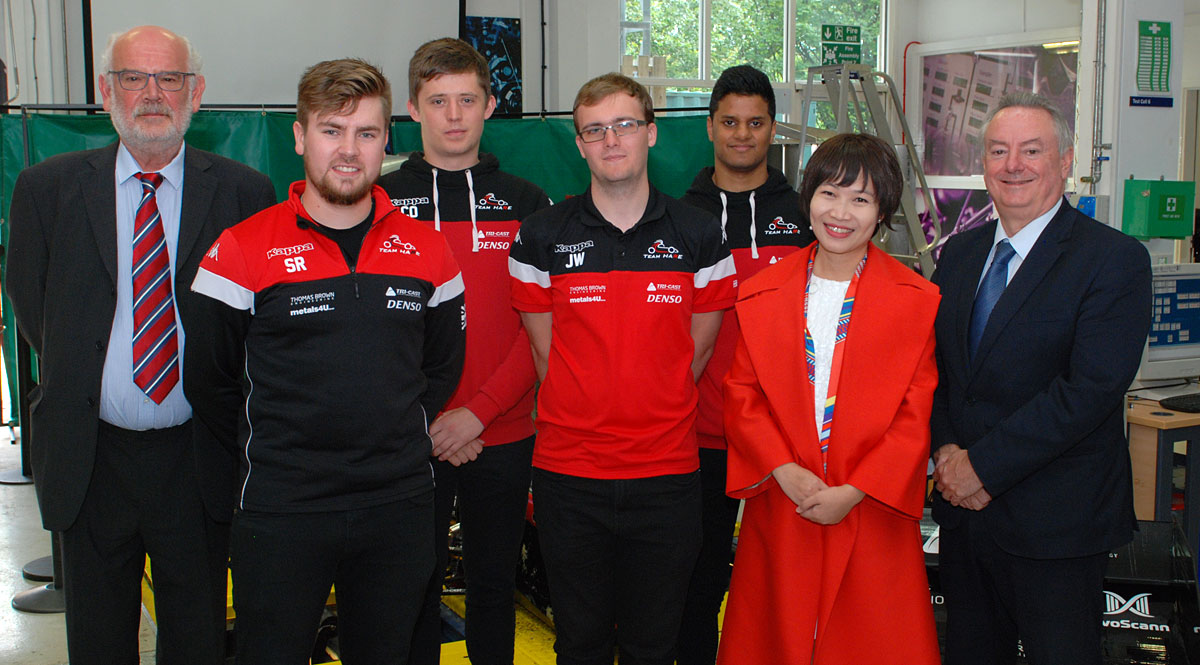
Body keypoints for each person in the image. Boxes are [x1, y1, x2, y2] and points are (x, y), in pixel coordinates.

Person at [4, 25, 275, 664]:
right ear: (106, 91)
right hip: (90, 459)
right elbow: (32, 304)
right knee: (98, 642)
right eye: (134, 77)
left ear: (196, 92)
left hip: (199, 457)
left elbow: (254, 326)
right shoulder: (48, 190)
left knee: (198, 637)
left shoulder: (244, 195)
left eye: (169, 78)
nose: (151, 93)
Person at [187, 58, 465, 663]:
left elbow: (442, 367)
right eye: (331, 131)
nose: (349, 150)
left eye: (366, 133)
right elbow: (209, 381)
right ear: (299, 136)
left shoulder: (428, 250)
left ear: (386, 141)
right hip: (283, 508)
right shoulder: (240, 248)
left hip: (398, 505)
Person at [508, 73, 736, 665]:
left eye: (625, 125)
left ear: (651, 133)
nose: (612, 140)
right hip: (569, 476)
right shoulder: (540, 238)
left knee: (652, 646)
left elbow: (698, 352)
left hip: (667, 477)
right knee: (579, 643)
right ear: (579, 143)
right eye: (595, 129)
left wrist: (647, 407)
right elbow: (544, 354)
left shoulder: (700, 236)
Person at [931, 92, 1152, 665]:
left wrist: (980, 465)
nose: (1013, 165)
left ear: (1065, 160)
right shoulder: (958, 254)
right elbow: (939, 372)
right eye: (999, 150)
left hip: (1056, 526)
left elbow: (1090, 390)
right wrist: (947, 450)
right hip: (966, 522)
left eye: (1032, 150)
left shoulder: (1113, 259)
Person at [716, 133, 941, 665]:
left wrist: (855, 489)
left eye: (860, 199)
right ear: (808, 197)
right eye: (829, 193)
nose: (841, 212)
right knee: (776, 639)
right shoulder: (762, 291)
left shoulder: (915, 300)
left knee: (869, 642)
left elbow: (914, 416)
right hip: (784, 499)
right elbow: (742, 395)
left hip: (869, 506)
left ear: (883, 210)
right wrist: (784, 471)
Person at [377, 38, 551, 665]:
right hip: (410, 436)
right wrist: (431, 419)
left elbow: (540, 331)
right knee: (410, 590)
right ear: (413, 110)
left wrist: (477, 412)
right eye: (438, 101)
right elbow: (374, 335)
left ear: (490, 106)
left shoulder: (530, 205)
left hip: (501, 431)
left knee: (493, 587)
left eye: (467, 100)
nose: (454, 115)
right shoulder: (381, 202)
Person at [676, 63, 814, 665]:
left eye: (755, 123)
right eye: (729, 122)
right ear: (710, 127)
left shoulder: (809, 215)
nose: (742, 135)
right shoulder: (679, 217)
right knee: (697, 583)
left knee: (782, 584)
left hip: (784, 435)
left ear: (772, 128)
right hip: (701, 432)